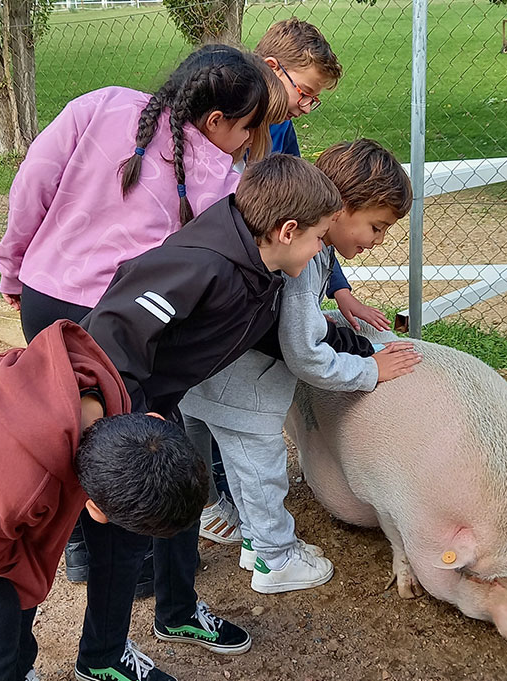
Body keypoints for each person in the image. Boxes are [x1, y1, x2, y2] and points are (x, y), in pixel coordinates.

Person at [73, 153, 412, 681]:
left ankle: (178, 612)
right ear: (289, 228)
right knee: (124, 532)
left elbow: (272, 333)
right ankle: (101, 658)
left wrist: (360, 349)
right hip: (124, 414)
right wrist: (124, 423)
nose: (325, 251)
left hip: (163, 403)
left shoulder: (264, 267)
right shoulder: (203, 264)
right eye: (321, 238)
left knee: (179, 505)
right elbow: (113, 330)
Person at [0, 43, 285, 585]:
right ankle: (132, 559)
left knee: (64, 419)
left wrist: (14, 269)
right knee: (128, 444)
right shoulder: (221, 181)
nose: (248, 142)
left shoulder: (100, 104)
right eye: (247, 128)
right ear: (217, 120)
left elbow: (32, 184)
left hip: (44, 297)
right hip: (120, 327)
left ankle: (76, 545)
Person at [180, 139, 419, 593]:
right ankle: (275, 561)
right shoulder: (305, 264)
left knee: (242, 469)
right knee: (262, 473)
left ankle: (254, 542)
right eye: (377, 226)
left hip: (217, 380)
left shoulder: (312, 252)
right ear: (340, 208)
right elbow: (304, 353)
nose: (377, 241)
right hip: (243, 392)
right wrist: (371, 371)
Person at [0, 320, 209, 681]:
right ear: (95, 509)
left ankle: (19, 668)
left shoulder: (104, 392)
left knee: (18, 601)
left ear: (151, 421)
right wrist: (24, 579)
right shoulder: (20, 488)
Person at [253, 17, 394, 334]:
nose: (305, 107)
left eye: (313, 100)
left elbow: (310, 207)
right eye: (304, 92)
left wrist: (338, 289)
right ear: (273, 68)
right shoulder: (226, 126)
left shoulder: (281, 125)